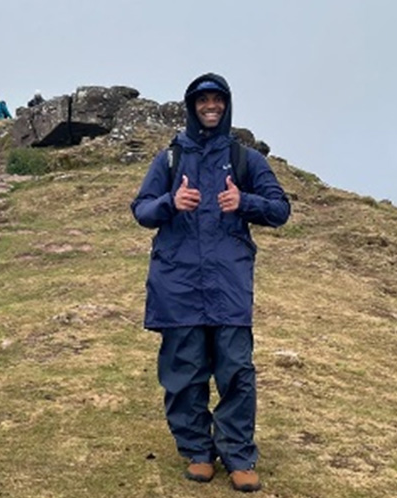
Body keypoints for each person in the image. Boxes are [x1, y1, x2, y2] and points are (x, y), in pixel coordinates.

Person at [130, 73, 290, 493]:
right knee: (183, 372)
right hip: (177, 283)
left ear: (227, 105)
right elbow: (141, 210)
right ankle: (198, 451)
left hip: (229, 285)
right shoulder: (168, 159)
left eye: (217, 100)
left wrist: (244, 201)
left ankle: (238, 455)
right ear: (192, 106)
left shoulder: (245, 159)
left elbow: (280, 209)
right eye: (203, 100)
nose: (210, 106)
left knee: (236, 371)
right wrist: (171, 202)